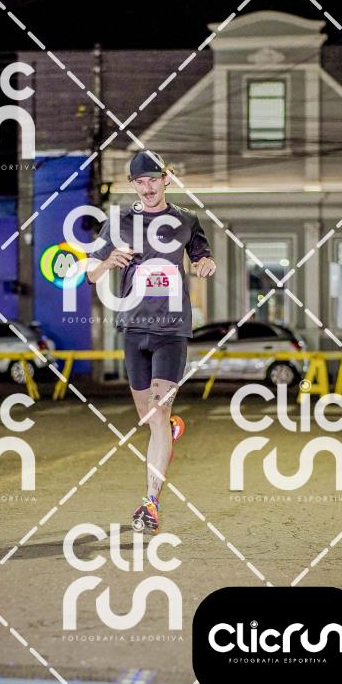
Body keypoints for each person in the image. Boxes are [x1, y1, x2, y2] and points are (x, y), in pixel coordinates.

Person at [87, 150, 216, 533]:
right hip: (133, 328)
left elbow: (203, 257)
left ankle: (150, 502)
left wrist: (205, 265)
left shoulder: (187, 220)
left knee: (156, 415)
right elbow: (90, 273)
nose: (147, 188)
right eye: (140, 182)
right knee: (148, 416)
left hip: (172, 330)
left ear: (166, 179)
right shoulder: (118, 222)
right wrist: (107, 262)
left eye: (153, 180)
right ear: (133, 185)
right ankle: (169, 423)